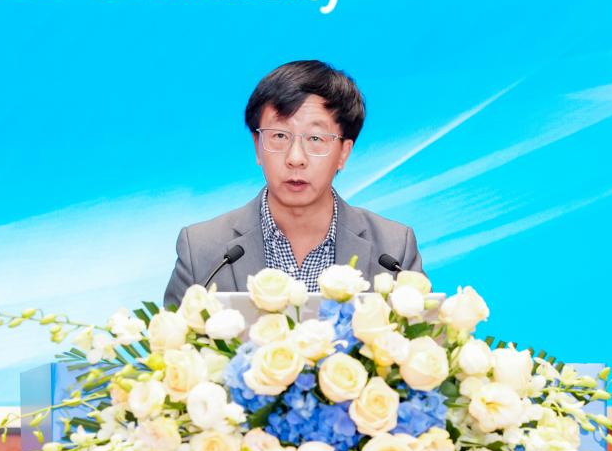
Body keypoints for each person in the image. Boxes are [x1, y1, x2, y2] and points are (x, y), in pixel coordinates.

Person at [163, 60, 423, 308]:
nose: (295, 158)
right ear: (257, 146)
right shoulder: (201, 250)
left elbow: (424, 335)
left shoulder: (393, 250)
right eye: (279, 135)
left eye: (315, 138)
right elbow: (174, 341)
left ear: (344, 152)